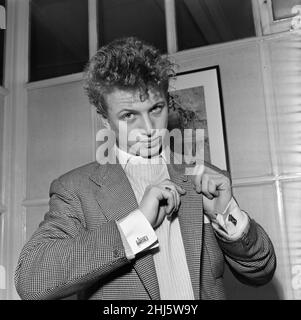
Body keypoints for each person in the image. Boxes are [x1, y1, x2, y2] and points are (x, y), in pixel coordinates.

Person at [15, 37, 276, 300]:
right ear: (105, 120)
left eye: (156, 109)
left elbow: (260, 270)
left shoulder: (203, 175)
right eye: (129, 115)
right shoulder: (76, 189)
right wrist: (137, 224)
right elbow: (31, 280)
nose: (149, 129)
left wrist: (227, 213)